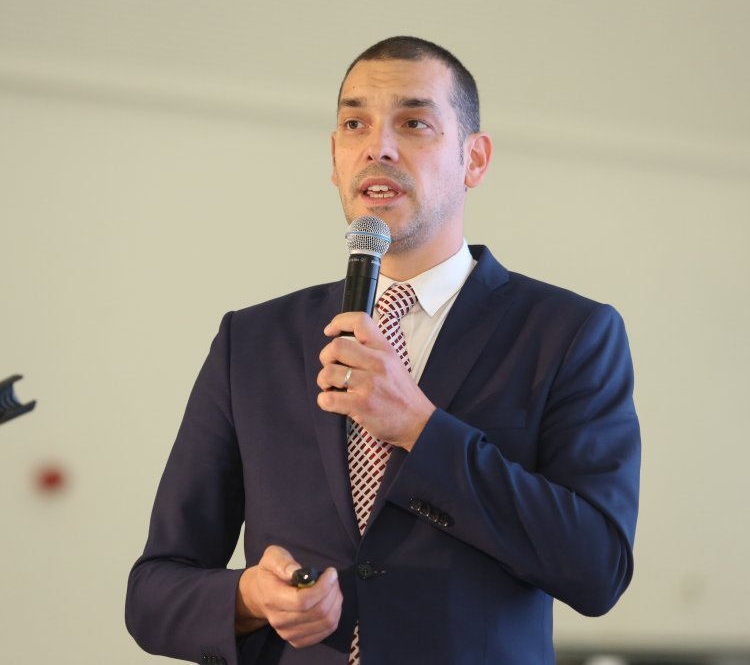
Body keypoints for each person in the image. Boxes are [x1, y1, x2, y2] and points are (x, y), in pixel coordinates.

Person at [125, 36, 640, 665]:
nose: (378, 147)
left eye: (414, 123)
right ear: (334, 159)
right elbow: (153, 593)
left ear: (474, 159)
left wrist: (421, 429)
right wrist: (249, 598)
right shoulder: (251, 342)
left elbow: (598, 568)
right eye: (355, 124)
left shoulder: (568, 333)